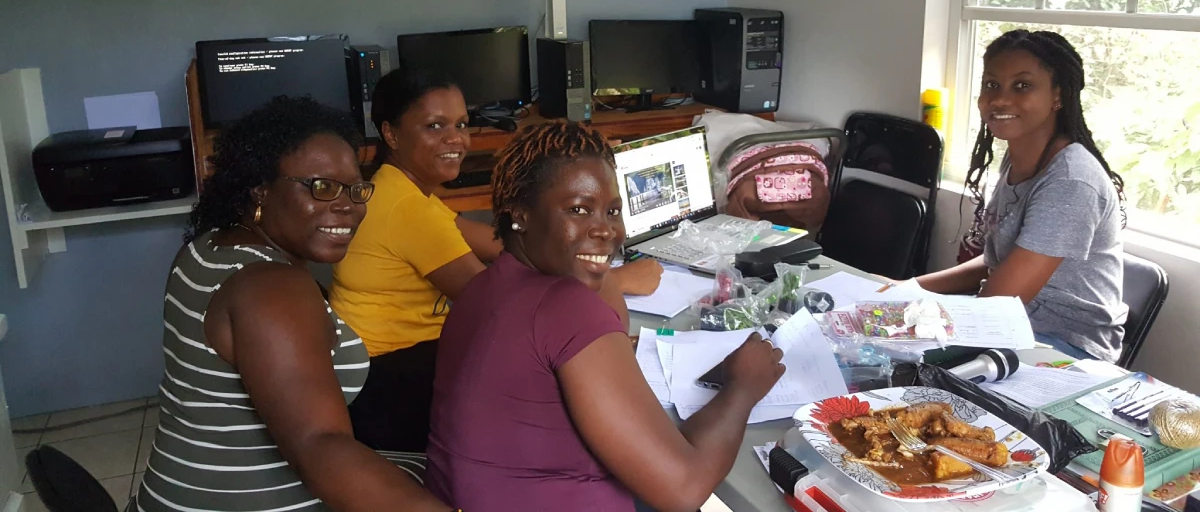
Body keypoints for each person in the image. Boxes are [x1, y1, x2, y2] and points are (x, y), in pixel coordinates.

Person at [426, 121, 785, 512]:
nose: (606, 230)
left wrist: (597, 267)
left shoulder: (484, 285)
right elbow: (684, 490)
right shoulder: (563, 307)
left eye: (612, 211)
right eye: (578, 210)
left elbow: (611, 322)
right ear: (520, 216)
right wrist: (743, 387)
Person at [132, 96, 451, 512]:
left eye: (356, 189)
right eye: (322, 187)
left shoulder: (207, 248)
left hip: (174, 496)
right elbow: (320, 447)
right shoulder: (272, 288)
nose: (347, 206)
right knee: (457, 482)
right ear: (260, 188)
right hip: (249, 503)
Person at [329, 69, 663, 452]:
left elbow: (495, 243)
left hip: (377, 369)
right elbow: (502, 307)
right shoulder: (407, 209)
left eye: (461, 124)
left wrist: (548, 236)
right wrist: (615, 278)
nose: (455, 139)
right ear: (391, 134)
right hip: (390, 385)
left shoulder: (398, 189)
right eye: (435, 126)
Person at [914, 29, 1127, 362]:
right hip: (1010, 324)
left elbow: (997, 304)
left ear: (1058, 96)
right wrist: (908, 287)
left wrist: (906, 314)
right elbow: (998, 264)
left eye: (1022, 85)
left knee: (889, 359)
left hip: (1065, 348)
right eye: (991, 84)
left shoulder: (1071, 181)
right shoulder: (1019, 159)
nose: (999, 100)